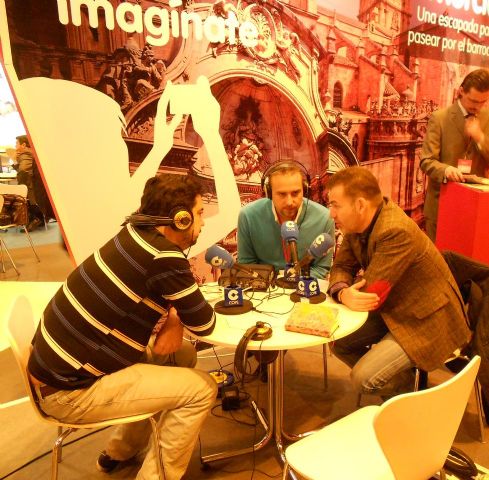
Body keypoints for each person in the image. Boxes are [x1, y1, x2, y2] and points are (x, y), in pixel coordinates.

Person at [27, 174, 217, 479]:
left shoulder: (133, 234)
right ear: (181, 219)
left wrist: (174, 315)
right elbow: (205, 323)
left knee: (181, 355)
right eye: (199, 214)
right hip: (68, 393)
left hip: (53, 371)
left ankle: (120, 450)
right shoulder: (164, 256)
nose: (203, 223)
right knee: (203, 389)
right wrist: (177, 316)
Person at [326, 166, 471, 395]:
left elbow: (369, 294)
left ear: (360, 205)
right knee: (338, 340)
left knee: (363, 379)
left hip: (426, 320)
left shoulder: (395, 230)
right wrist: (343, 292)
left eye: (336, 205)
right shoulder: (357, 223)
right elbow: (341, 267)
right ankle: (404, 384)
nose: (331, 214)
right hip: (394, 308)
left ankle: (406, 399)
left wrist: (346, 293)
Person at [420, 69, 489, 241]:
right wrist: (446, 170)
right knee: (438, 256)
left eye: (483, 102)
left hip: (475, 207)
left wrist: (480, 137)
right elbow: (426, 161)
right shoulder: (440, 118)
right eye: (473, 101)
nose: (477, 107)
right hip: (442, 204)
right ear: (461, 92)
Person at [237, 160, 335, 279]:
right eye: (282, 194)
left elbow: (321, 269)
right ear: (269, 193)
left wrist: (293, 282)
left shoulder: (324, 218)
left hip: (305, 286)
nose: (289, 202)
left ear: (305, 189)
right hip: (265, 286)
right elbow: (247, 265)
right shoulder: (248, 216)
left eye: (295, 193)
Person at [14, 135, 45, 230]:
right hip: (33, 184)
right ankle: (39, 219)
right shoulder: (29, 153)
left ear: (23, 145)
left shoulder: (25, 154)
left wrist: (15, 160)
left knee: (23, 198)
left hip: (30, 184)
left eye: (17, 143)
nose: (15, 145)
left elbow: (23, 171)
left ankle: (35, 219)